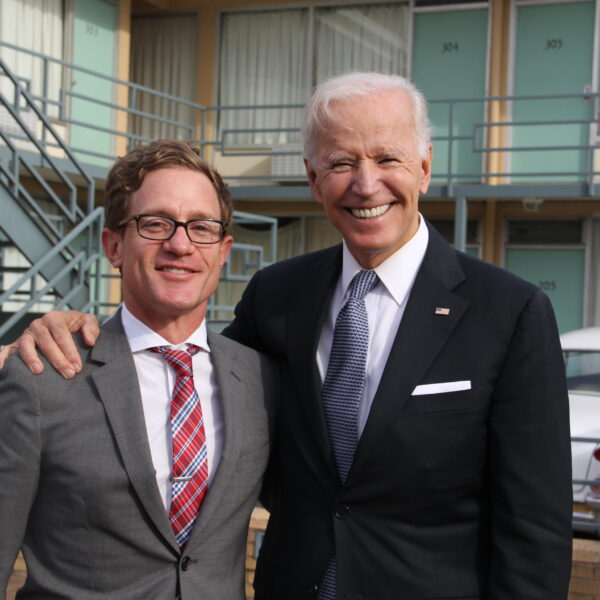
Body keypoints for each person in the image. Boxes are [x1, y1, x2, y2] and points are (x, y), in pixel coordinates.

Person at [1, 73, 572, 599]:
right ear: (313, 178)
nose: (366, 183)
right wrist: (59, 328)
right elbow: (173, 360)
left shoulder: (511, 312)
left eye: (387, 158)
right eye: (342, 162)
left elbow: (536, 529)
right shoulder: (278, 296)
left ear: (424, 167)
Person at [0, 140, 276, 600]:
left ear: (223, 249)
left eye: (201, 227)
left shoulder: (260, 379)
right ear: (114, 246)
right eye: (155, 223)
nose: (180, 245)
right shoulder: (42, 378)